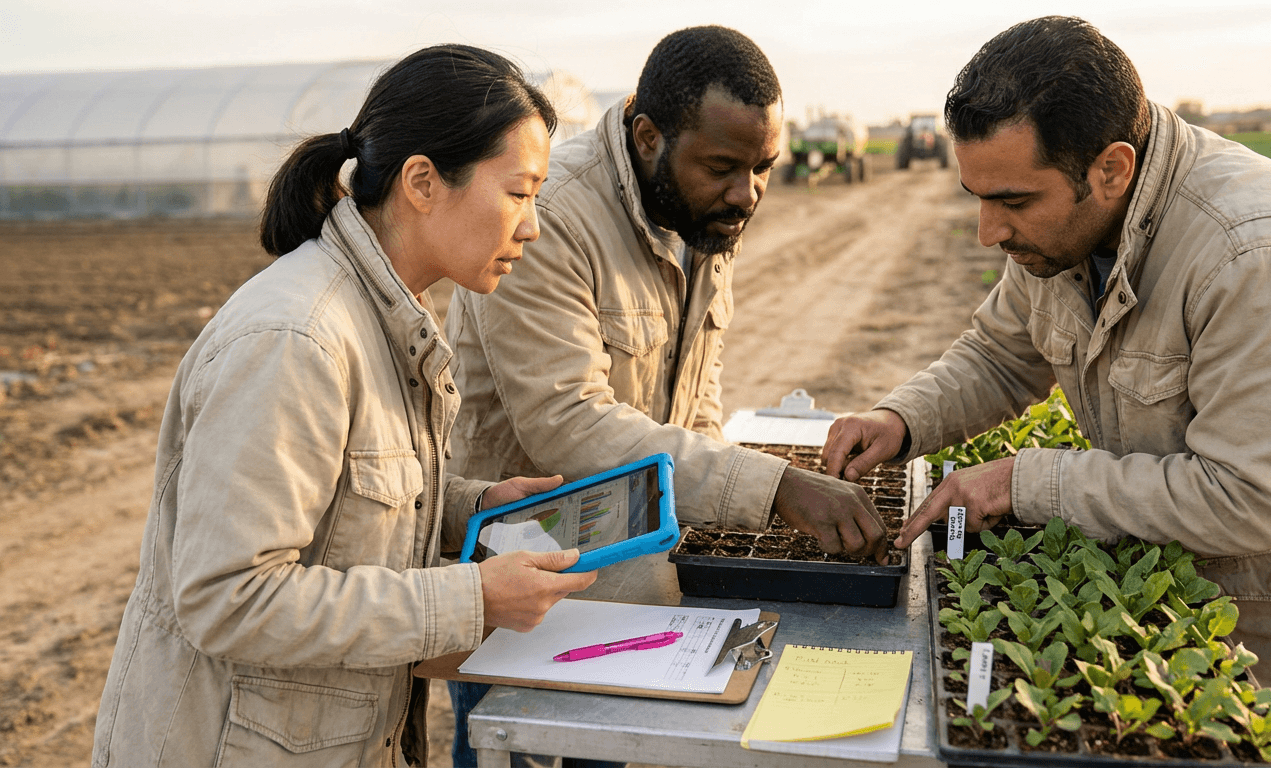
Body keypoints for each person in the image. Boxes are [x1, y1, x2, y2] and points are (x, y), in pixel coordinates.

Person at [822, 15, 1271, 768]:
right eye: (978, 197)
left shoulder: (1260, 254)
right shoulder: (1067, 229)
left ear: (1111, 168)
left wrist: (1025, 481)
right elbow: (1000, 353)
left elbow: (1250, 497)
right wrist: (901, 418)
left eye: (1013, 201)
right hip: (1184, 632)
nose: (989, 230)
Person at [91, 45, 598, 768]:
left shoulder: (389, 316)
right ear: (422, 181)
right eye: (519, 193)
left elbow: (341, 496)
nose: (533, 225)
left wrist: (470, 503)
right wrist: (468, 601)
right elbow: (229, 596)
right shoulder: (297, 341)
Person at [442, 25, 888, 768]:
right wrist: (771, 487)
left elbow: (696, 389)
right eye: (723, 167)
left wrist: (722, 516)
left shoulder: (698, 209)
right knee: (514, 741)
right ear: (649, 137)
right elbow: (567, 422)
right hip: (534, 567)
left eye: (764, 168)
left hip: (637, 561)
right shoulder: (552, 215)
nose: (747, 193)